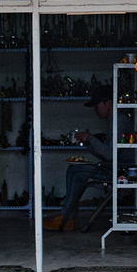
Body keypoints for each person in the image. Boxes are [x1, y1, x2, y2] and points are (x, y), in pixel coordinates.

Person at [43, 85, 113, 232]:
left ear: (108, 103)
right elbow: (107, 153)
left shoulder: (118, 121)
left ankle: (67, 217)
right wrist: (88, 143)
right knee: (74, 171)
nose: (94, 110)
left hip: (119, 171)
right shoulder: (112, 121)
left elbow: (110, 154)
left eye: (96, 105)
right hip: (111, 167)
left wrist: (90, 138)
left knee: (75, 172)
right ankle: (69, 217)